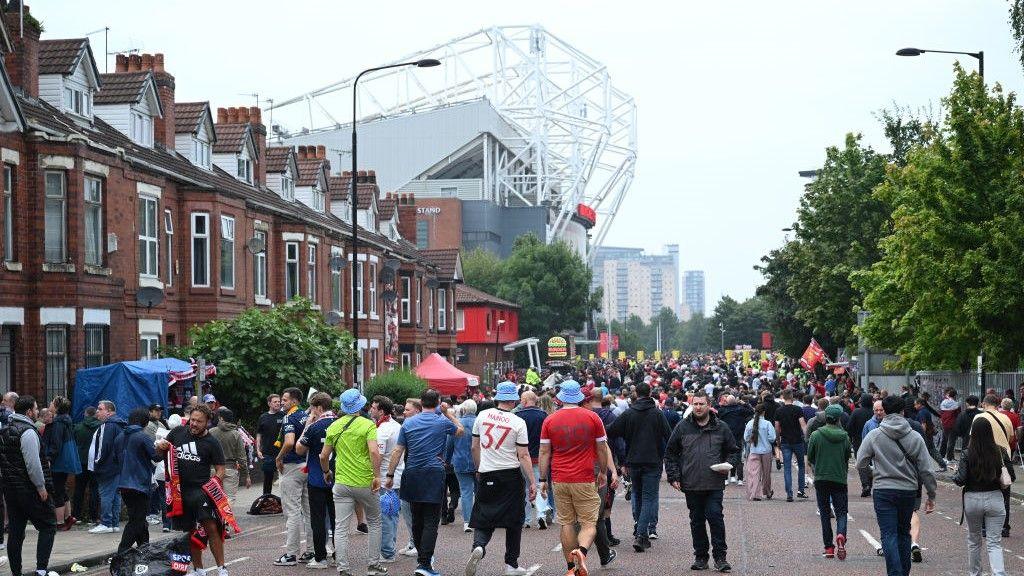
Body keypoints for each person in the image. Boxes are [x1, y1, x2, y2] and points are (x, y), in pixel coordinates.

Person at [385, 390, 464, 576]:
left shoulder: (408, 423)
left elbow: (397, 451)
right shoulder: (442, 421)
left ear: (421, 402)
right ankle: (424, 564)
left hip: (412, 473)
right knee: (431, 520)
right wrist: (448, 413)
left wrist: (389, 475)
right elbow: (460, 431)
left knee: (417, 518)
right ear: (437, 402)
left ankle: (423, 558)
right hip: (433, 474)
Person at [856, 396, 937, 576]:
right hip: (908, 490)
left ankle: (895, 573)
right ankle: (904, 572)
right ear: (903, 411)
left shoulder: (874, 435)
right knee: (903, 533)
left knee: (888, 534)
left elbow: (860, 463)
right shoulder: (915, 436)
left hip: (883, 489)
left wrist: (874, 473)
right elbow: (927, 469)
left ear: (884, 410)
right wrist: (931, 495)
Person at [464, 382, 537, 576]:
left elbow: (474, 447)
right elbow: (523, 455)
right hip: (510, 475)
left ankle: (479, 546)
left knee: (484, 515)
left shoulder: (482, 415)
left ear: (497, 397)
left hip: (487, 472)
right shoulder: (517, 422)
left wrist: (479, 468)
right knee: (514, 520)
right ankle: (511, 564)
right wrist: (532, 481)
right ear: (514, 399)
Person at [538, 381, 609, 576]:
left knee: (567, 523)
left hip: (560, 477)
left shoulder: (550, 420)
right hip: (585, 476)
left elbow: (544, 452)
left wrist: (542, 479)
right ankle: (582, 551)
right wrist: (602, 472)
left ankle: (571, 568)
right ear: (579, 397)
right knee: (588, 523)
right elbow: (602, 448)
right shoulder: (593, 417)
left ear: (560, 397)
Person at [665, 390, 737, 573]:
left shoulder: (721, 427)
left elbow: (734, 450)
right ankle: (700, 557)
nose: (697, 407)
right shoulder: (682, 427)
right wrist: (673, 476)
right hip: (691, 483)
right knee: (696, 521)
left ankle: (720, 557)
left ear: (709, 405)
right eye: (695, 404)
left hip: (714, 483)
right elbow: (670, 453)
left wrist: (728, 465)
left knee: (715, 518)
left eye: (701, 404)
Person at [319, 390, 387, 576]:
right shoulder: (368, 424)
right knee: (374, 522)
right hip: (365, 481)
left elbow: (324, 455)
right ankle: (373, 566)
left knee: (340, 527)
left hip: (342, 482)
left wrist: (326, 472)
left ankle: (343, 568)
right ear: (360, 405)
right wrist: (377, 475)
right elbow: (374, 452)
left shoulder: (334, 426)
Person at [155, 404, 229, 576]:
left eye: (199, 421)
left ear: (207, 423)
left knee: (211, 528)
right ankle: (199, 570)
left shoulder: (212, 442)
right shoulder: (178, 432)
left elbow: (221, 469)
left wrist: (214, 483)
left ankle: (222, 569)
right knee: (190, 531)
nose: (194, 424)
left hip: (201, 491)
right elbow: (158, 455)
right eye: (192, 420)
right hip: (180, 492)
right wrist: (161, 447)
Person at [605, 381, 670, 552]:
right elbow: (668, 435)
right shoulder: (657, 414)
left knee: (637, 494)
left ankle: (639, 528)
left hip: (633, 460)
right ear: (650, 394)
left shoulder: (629, 414)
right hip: (652, 461)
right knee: (649, 497)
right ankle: (642, 534)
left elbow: (611, 431)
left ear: (636, 394)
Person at [0, 395, 58, 576]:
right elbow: (33, 464)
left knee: (16, 532)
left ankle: (16, 572)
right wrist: (41, 487)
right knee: (48, 525)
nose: (37, 411)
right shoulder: (28, 431)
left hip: (10, 489)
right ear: (28, 412)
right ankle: (41, 570)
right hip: (30, 489)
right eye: (35, 408)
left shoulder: (4, 430)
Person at [953, 417, 1008, 576]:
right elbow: (1010, 475)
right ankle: (998, 573)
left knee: (974, 540)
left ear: (973, 433)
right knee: (994, 542)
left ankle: (975, 573)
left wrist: (954, 473)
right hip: (995, 498)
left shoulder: (966, 453)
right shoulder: (1000, 451)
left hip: (973, 499)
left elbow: (960, 479)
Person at [295, 392, 338, 570]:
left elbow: (299, 449)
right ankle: (338, 555)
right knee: (338, 519)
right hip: (339, 478)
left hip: (317, 479)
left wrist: (307, 425)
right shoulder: (340, 424)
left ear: (319, 408)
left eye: (312, 408)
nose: (311, 411)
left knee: (318, 519)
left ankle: (320, 558)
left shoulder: (314, 427)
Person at [807, 405, 852, 560]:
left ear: (826, 417)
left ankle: (828, 547)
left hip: (821, 478)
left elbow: (811, 456)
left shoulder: (816, 435)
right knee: (841, 511)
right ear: (839, 418)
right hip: (839, 478)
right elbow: (847, 457)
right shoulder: (845, 436)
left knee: (825, 513)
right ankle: (841, 535)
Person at [275, 387, 312, 566]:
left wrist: (279, 456)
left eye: (285, 399)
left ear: (295, 401)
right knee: (309, 511)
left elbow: (289, 441)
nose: (282, 402)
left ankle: (291, 554)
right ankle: (312, 551)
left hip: (292, 467)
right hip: (307, 465)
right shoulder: (306, 417)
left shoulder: (289, 417)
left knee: (292, 511)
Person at [114, 408, 160, 553]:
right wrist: (163, 448)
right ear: (145, 422)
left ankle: (144, 550)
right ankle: (121, 552)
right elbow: (156, 457)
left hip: (123, 483)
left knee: (139, 519)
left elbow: (116, 459)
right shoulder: (143, 437)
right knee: (137, 521)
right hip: (140, 484)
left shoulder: (119, 437)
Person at [975, 394, 1015, 538]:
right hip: (1004, 460)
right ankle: (1004, 527)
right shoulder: (1006, 418)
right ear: (998, 404)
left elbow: (973, 439)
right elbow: (1011, 438)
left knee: (985, 494)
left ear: (984, 404)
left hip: (984, 461)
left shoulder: (979, 418)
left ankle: (985, 527)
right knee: (1004, 493)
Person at [370, 396, 402, 562]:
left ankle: (388, 552)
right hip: (396, 475)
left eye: (374, 408)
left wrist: (373, 476)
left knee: (386, 515)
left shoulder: (383, 430)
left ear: (381, 411)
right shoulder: (396, 425)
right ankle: (390, 548)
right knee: (392, 514)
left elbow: (378, 456)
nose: (371, 410)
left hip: (385, 478)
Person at [88, 401, 126, 533]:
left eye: (100, 409)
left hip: (106, 467)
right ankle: (114, 523)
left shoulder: (108, 425)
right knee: (115, 495)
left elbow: (103, 448)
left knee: (105, 494)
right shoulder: (119, 425)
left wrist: (97, 463)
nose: (97, 411)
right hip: (116, 467)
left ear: (109, 411)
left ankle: (106, 523)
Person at [42, 395, 77, 531]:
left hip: (58, 462)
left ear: (56, 407)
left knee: (57, 490)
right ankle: (68, 517)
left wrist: (49, 458)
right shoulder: (66, 421)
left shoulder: (57, 423)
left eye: (52, 402)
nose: (50, 404)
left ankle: (60, 522)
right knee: (61, 489)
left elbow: (55, 443)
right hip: (65, 461)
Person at [516, 390, 550, 529]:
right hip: (540, 455)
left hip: (521, 456)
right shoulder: (544, 416)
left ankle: (526, 519)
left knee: (523, 487)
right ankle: (541, 514)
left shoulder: (518, 416)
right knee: (540, 484)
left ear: (524, 401)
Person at [208, 408, 249, 506]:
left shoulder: (211, 432)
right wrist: (246, 475)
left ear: (221, 418)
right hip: (230, 469)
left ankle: (215, 519)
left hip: (213, 469)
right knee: (230, 497)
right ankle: (225, 518)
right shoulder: (236, 434)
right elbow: (242, 458)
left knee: (214, 497)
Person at [774, 389, 808, 503]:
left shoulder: (779, 411)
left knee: (787, 468)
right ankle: (801, 490)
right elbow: (803, 425)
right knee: (801, 466)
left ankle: (789, 493)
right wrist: (807, 438)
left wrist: (778, 441)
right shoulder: (798, 409)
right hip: (798, 440)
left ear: (783, 397)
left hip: (785, 441)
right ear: (792, 397)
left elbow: (777, 428)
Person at [72, 406, 101, 527]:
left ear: (85, 414)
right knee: (95, 489)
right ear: (95, 414)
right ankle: (94, 517)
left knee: (79, 489)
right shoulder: (100, 427)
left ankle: (76, 516)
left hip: (81, 461)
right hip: (95, 462)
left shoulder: (78, 427)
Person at [715, 395, 753, 487]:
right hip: (738, 436)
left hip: (725, 437)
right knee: (738, 458)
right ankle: (739, 478)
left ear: (727, 402)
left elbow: (717, 414)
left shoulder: (722, 410)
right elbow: (751, 411)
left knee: (724, 457)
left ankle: (724, 479)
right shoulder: (740, 409)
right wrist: (745, 404)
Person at [452, 400, 478, 533]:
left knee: (466, 492)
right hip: (479, 462)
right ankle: (480, 518)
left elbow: (449, 443)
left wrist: (447, 459)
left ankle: (467, 522)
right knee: (480, 491)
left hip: (460, 460)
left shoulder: (457, 423)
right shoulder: (480, 422)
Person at [742, 403, 776, 501]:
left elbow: (746, 437)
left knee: (754, 473)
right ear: (764, 412)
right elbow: (772, 438)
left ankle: (755, 493)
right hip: (766, 451)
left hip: (754, 450)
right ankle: (767, 492)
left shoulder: (750, 423)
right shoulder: (767, 423)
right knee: (766, 473)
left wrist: (751, 440)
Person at [255, 394, 283, 495]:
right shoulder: (263, 417)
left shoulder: (283, 415)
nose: (278, 403)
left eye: (279, 401)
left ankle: (284, 502)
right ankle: (266, 500)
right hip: (267, 453)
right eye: (275, 402)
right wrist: (258, 450)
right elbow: (259, 434)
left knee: (284, 480)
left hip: (282, 453)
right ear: (269, 403)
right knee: (268, 479)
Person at [938, 389, 961, 463]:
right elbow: (958, 415)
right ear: (955, 396)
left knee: (944, 440)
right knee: (951, 442)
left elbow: (941, 413)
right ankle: (949, 458)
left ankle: (941, 456)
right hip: (952, 424)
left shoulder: (943, 403)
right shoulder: (956, 404)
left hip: (944, 424)